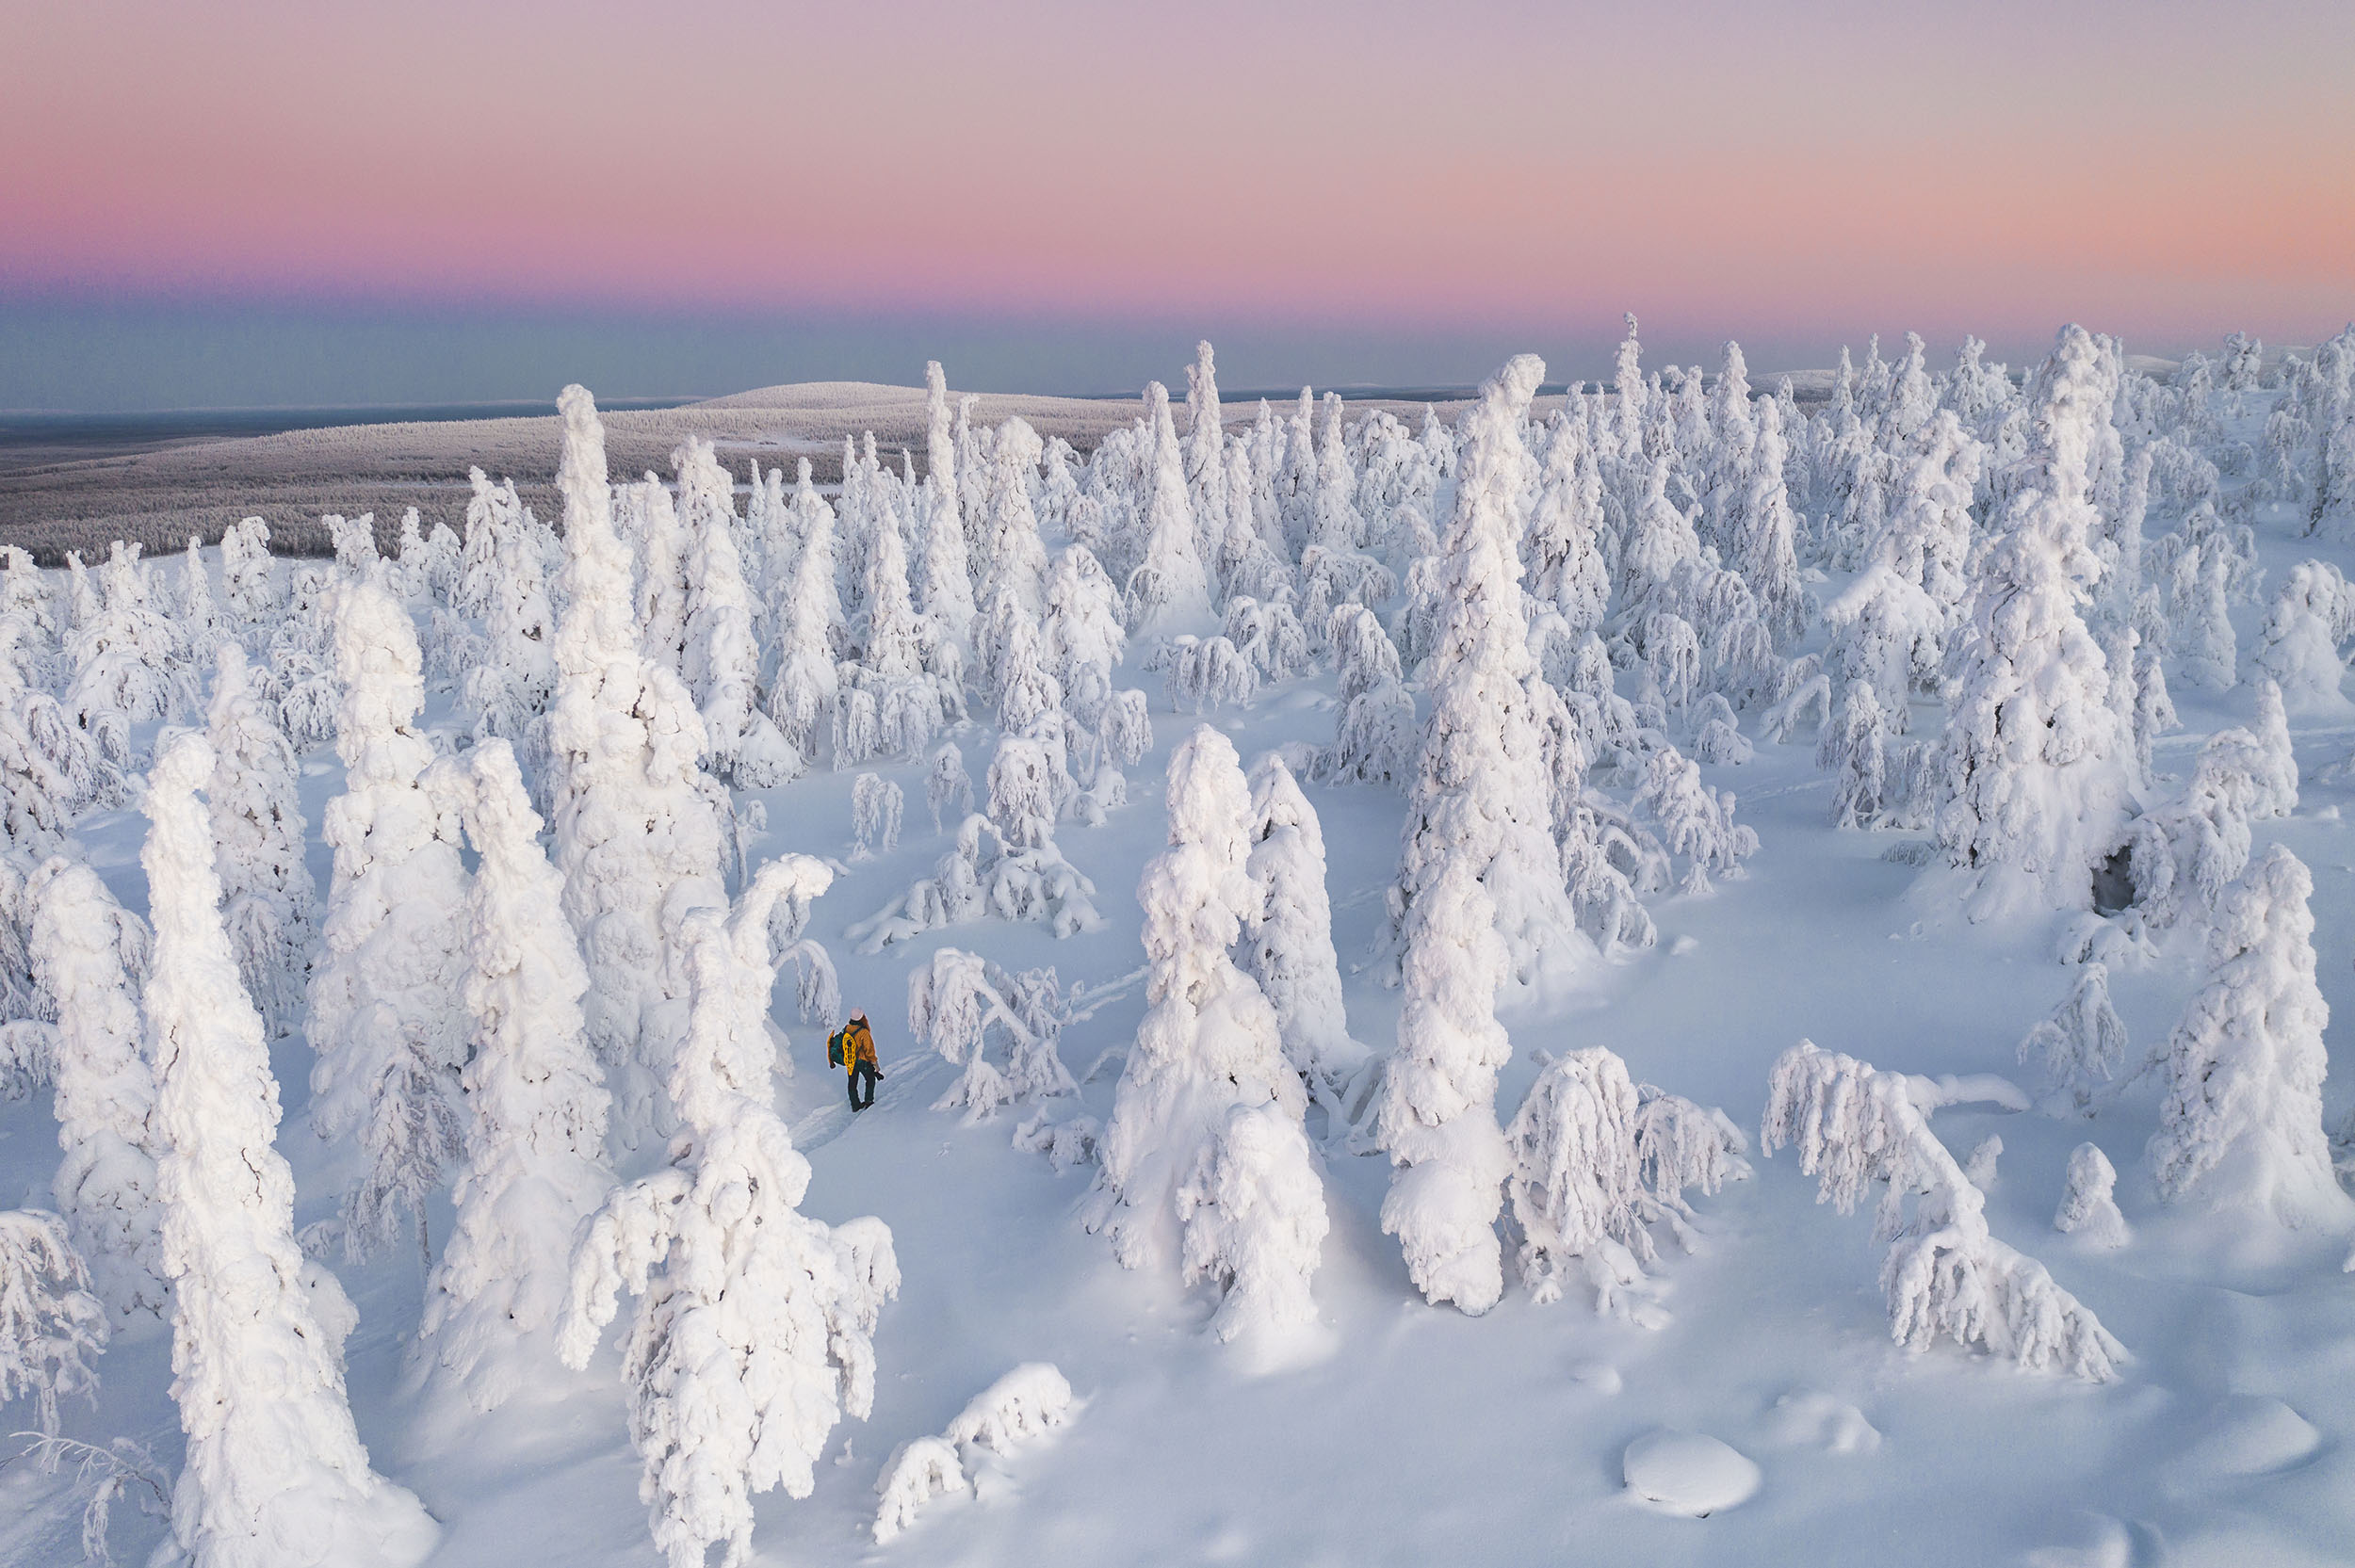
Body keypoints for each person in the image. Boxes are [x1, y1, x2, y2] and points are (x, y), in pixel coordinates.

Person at [833, 1010, 882, 1112]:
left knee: (852, 1083)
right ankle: (868, 1101)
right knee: (870, 1079)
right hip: (862, 1061)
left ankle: (855, 1105)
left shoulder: (846, 1028)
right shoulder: (864, 1032)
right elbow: (869, 1051)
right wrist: (875, 1064)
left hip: (850, 1061)